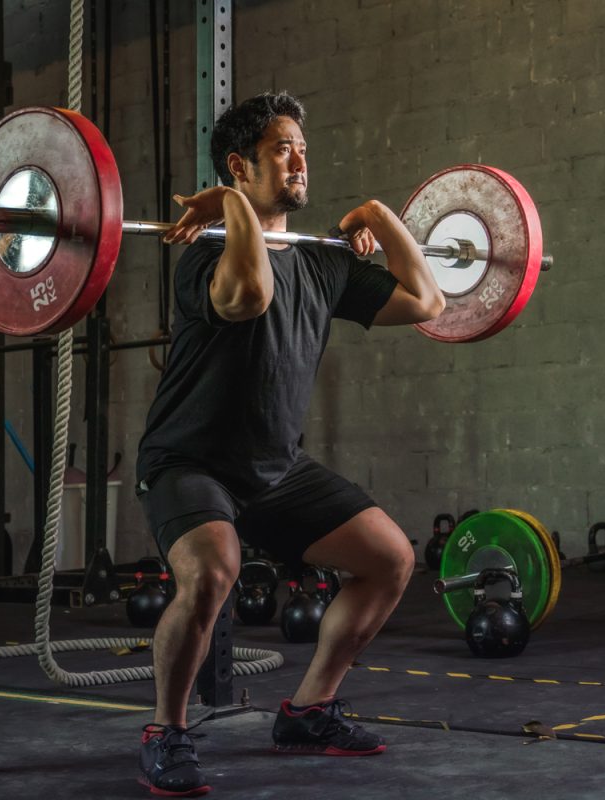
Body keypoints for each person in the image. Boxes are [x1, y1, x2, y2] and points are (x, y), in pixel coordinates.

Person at [134, 91, 445, 797]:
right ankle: (166, 730)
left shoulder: (321, 261)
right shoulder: (201, 251)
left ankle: (308, 709)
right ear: (239, 166)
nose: (301, 159)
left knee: (390, 559)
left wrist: (378, 217)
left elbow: (427, 303)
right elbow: (248, 296)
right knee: (213, 573)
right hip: (189, 463)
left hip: (274, 470)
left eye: (303, 146)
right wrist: (234, 211)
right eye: (283, 148)